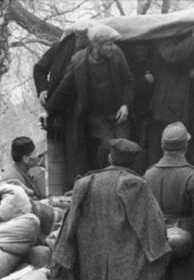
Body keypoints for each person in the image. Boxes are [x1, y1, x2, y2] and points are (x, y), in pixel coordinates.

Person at [51, 138, 170, 280]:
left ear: (109, 157)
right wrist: (160, 254)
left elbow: (68, 228)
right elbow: (152, 231)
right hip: (124, 261)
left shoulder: (85, 183)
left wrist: (65, 256)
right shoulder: (135, 184)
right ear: (134, 162)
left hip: (90, 258)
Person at [46, 24, 135, 180]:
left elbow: (129, 81)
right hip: (96, 116)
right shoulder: (78, 61)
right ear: (96, 45)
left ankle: (127, 181)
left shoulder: (116, 54)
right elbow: (63, 89)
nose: (112, 48)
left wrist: (125, 105)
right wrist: (48, 111)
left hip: (118, 113)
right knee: (108, 147)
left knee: (125, 147)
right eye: (108, 44)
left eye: (112, 44)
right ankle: (107, 183)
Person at [33, 18, 94, 195]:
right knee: (62, 151)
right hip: (59, 107)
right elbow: (40, 69)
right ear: (75, 35)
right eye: (80, 36)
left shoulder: (90, 51)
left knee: (77, 149)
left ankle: (76, 189)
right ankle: (65, 190)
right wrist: (42, 89)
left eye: (85, 36)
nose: (83, 39)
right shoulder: (59, 48)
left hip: (79, 106)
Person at [144, 122, 194, 280]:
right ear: (186, 146)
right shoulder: (192, 175)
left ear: (163, 146)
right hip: (187, 231)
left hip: (157, 231)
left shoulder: (149, 173)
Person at [146, 24, 194, 168]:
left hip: (183, 97)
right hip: (168, 100)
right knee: (165, 138)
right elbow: (172, 55)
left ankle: (190, 170)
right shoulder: (162, 39)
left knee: (191, 137)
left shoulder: (176, 39)